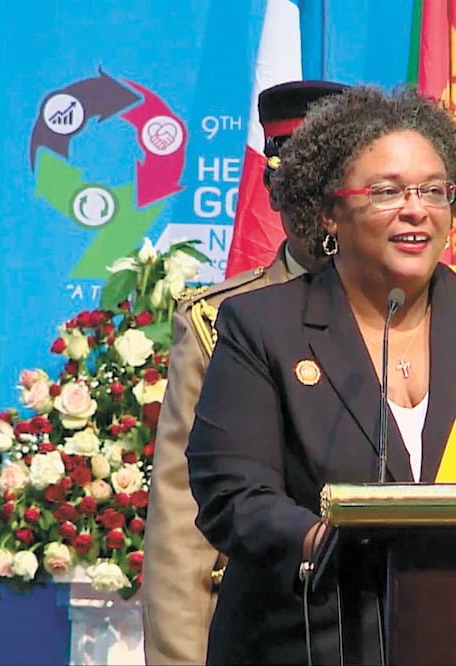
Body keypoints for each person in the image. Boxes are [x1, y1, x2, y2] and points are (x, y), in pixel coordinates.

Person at [186, 85, 456, 665]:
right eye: (386, 191)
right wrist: (329, 542)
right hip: (313, 640)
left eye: (434, 190)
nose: (416, 209)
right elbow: (234, 494)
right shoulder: (262, 325)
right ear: (328, 210)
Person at [142, 80, 348, 666]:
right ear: (273, 192)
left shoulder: (421, 312)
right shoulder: (221, 320)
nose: (318, 215)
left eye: (329, 190)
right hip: (266, 626)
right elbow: (184, 522)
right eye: (298, 191)